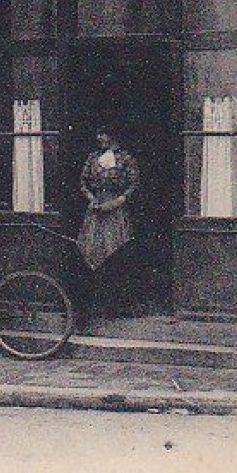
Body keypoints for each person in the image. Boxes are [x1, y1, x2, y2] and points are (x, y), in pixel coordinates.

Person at [77, 129, 139, 327]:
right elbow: (83, 182)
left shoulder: (125, 158)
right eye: (98, 134)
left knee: (116, 252)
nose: (99, 138)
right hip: (96, 210)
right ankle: (93, 304)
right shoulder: (93, 157)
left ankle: (116, 305)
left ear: (113, 136)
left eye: (103, 134)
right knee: (91, 252)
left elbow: (134, 185)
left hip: (116, 211)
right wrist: (92, 199)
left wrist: (118, 201)